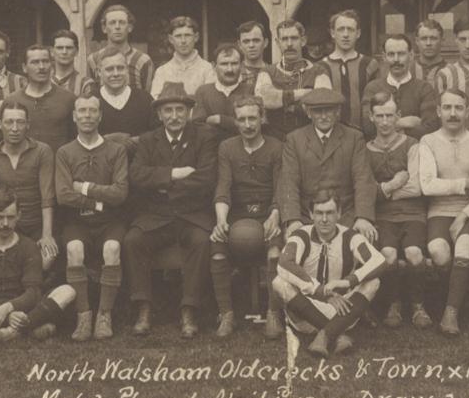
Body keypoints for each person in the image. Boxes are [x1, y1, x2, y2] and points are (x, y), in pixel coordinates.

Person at [123, 82, 218, 339]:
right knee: (133, 240)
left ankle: (189, 309)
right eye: (168, 111)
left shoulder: (204, 136)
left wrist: (164, 186)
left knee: (201, 241)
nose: (174, 116)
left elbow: (207, 179)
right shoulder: (148, 140)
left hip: (192, 213)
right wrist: (174, 174)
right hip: (157, 215)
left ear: (189, 112)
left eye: (179, 110)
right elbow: (137, 176)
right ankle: (143, 308)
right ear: (159, 114)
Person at [272, 190, 389, 357]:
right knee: (279, 282)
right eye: (319, 213)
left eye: (330, 213)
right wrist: (322, 292)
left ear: (339, 213)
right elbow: (284, 264)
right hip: (306, 313)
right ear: (311, 214)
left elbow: (379, 261)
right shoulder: (301, 235)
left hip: (343, 309)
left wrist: (348, 282)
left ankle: (325, 335)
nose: (324, 219)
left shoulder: (350, 236)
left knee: (373, 282)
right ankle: (337, 333)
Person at [0, 188, 76, 342]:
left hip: (23, 309)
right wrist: (4, 314)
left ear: (19, 216)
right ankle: (28, 327)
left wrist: (8, 308)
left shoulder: (29, 246)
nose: (5, 224)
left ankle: (11, 331)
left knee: (67, 291)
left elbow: (33, 291)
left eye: (10, 217)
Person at [209, 96, 284, 338]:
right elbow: (223, 187)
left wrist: (274, 215)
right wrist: (221, 220)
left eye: (253, 118)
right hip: (237, 213)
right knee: (218, 248)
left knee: (275, 251)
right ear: (236, 122)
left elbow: (281, 188)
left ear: (262, 118)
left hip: (267, 212)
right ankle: (226, 313)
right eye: (242, 119)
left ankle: (273, 312)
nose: (248, 124)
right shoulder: (227, 148)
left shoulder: (276, 147)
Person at [56, 94, 129, 341]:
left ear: (101, 115)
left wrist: (84, 187)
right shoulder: (65, 152)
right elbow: (64, 195)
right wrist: (99, 202)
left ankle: (104, 314)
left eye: (92, 111)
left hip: (111, 222)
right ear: (74, 116)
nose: (87, 115)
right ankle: (84, 314)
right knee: (75, 249)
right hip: (78, 221)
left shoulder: (116, 150)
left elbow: (120, 193)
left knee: (112, 248)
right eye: (82, 111)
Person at [418, 89, 469, 336]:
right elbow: (427, 185)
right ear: (438, 111)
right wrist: (464, 184)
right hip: (439, 209)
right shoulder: (428, 141)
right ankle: (464, 298)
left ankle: (450, 313)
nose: (453, 113)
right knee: (438, 252)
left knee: (465, 245)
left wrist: (464, 215)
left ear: (467, 111)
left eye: (458, 108)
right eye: (447, 108)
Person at [365, 92, 430, 329]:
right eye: (379, 116)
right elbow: (365, 190)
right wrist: (393, 184)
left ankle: (418, 305)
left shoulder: (412, 145)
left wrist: (381, 191)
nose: (384, 121)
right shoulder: (366, 149)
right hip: (383, 217)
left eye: (389, 115)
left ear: (398, 117)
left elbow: (416, 187)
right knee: (389, 254)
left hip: (413, 213)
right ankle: (393, 304)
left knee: (414, 253)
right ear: (371, 117)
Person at [279, 88, 377, 243]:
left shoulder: (354, 138)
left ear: (337, 111)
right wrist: (292, 220)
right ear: (308, 113)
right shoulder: (294, 140)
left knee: (359, 244)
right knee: (298, 247)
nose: (323, 116)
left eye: (329, 111)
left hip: (345, 214)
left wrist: (363, 217)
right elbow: (288, 182)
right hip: (308, 215)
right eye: (318, 111)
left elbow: (363, 179)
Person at [0, 102, 58, 274]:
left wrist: (47, 234)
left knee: (45, 262)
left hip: (36, 225)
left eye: (20, 122)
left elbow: (47, 197)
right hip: (4, 226)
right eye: (9, 122)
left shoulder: (42, 152)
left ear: (28, 125)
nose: (14, 128)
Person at [255, 19, 332, 139]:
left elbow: (322, 105)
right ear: (277, 42)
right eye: (284, 39)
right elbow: (264, 100)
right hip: (274, 139)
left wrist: (283, 103)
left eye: (294, 38)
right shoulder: (267, 72)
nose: (289, 44)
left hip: (309, 139)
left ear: (303, 41)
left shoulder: (319, 71)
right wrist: (305, 93)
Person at [361, 34, 439, 140]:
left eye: (401, 54)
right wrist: (404, 123)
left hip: (415, 151)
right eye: (391, 54)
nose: (396, 59)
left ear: (411, 56)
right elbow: (368, 128)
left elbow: (430, 129)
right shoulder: (372, 88)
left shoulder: (424, 88)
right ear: (384, 57)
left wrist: (384, 125)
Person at [5, 44, 77, 153]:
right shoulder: (12, 101)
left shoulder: (69, 99)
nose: (41, 67)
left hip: (58, 167)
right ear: (24, 67)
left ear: (51, 65)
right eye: (35, 62)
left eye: (45, 61)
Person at [319, 9, 379, 129]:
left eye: (350, 29)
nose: (345, 34)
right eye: (341, 29)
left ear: (358, 33)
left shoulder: (370, 64)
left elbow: (377, 102)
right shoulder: (320, 67)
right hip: (332, 133)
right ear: (332, 33)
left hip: (364, 134)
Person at [96, 46, 157, 150]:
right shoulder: (91, 101)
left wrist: (136, 141)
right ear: (99, 72)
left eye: (120, 68)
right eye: (109, 69)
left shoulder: (145, 99)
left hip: (138, 164)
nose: (115, 74)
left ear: (127, 69)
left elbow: (158, 135)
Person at [87, 5, 154, 93]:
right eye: (112, 23)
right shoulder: (93, 59)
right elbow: (92, 94)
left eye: (122, 22)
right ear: (104, 28)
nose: (117, 27)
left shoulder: (143, 60)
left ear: (129, 27)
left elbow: (147, 94)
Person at [192, 44, 253, 141]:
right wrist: (234, 123)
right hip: (210, 149)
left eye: (234, 63)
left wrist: (220, 119)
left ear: (241, 66)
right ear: (214, 66)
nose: (229, 69)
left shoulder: (250, 91)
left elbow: (252, 125)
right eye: (224, 64)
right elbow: (198, 127)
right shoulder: (203, 92)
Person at [150, 16, 215, 98]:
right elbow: (156, 102)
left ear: (196, 37)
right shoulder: (162, 72)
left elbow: (210, 101)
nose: (183, 41)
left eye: (187, 35)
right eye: (178, 36)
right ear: (171, 39)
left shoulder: (207, 69)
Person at [51, 29, 96, 96]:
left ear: (76, 51)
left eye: (69, 48)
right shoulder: (44, 81)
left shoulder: (85, 83)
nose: (64, 52)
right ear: (52, 52)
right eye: (59, 48)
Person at [412, 19, 448, 87]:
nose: (428, 43)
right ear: (417, 41)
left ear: (442, 41)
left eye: (433, 38)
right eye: (424, 38)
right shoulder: (408, 71)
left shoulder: (451, 71)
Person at [237, 21, 270, 91]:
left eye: (256, 40)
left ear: (265, 43)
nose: (251, 45)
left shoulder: (273, 73)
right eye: (246, 41)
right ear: (239, 45)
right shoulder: (234, 74)